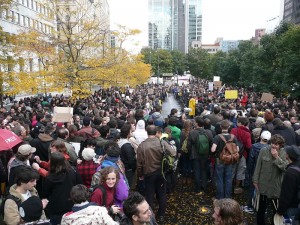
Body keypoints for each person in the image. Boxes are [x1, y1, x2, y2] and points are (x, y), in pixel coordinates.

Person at [136, 125, 176, 223]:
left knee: (149, 195)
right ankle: (161, 215)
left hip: (148, 173)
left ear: (147, 132)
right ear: (156, 132)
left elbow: (139, 163)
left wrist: (140, 174)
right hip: (161, 172)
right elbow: (173, 153)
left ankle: (150, 217)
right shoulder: (161, 142)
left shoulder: (142, 145)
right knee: (161, 194)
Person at [252, 134, 289, 225]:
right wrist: (255, 180)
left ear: (281, 145)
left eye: (276, 144)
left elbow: (285, 168)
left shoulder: (285, 153)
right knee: (260, 209)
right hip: (263, 184)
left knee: (275, 210)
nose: (273, 145)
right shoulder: (264, 150)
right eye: (272, 143)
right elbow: (258, 166)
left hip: (275, 187)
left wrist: (276, 157)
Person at [43, 152, 83, 225]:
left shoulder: (50, 178)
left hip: (56, 208)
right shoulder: (73, 171)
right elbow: (80, 185)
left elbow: (45, 193)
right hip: (72, 204)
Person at [211, 120, 239, 199]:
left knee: (219, 179)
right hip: (230, 161)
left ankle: (220, 197)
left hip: (220, 161)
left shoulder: (217, 137)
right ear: (229, 127)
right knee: (228, 179)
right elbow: (237, 149)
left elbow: (213, 149)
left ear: (220, 127)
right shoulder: (233, 137)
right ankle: (228, 196)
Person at [187, 116, 213, 193]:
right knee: (204, 170)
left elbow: (188, 145)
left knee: (197, 171)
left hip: (195, 155)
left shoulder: (192, 132)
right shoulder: (208, 132)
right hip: (205, 154)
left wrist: (190, 152)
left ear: (197, 124)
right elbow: (211, 143)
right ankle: (204, 186)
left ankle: (197, 188)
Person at [277, 145, 300, 224]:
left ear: (288, 155)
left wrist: (280, 210)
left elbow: (286, 194)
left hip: (293, 207)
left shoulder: (291, 172)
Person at [118, 123, 137, 189]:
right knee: (128, 185)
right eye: (131, 131)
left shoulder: (119, 141)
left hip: (123, 167)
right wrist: (133, 168)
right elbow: (131, 160)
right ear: (128, 132)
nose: (132, 132)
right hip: (128, 169)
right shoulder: (127, 145)